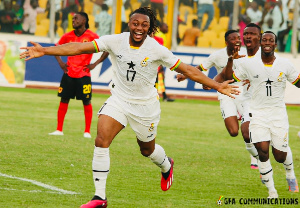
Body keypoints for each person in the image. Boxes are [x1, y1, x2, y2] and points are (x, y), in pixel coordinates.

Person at [20, 7, 239, 208]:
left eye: (144, 25)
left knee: (147, 150)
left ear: (148, 28)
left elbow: (189, 70)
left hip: (145, 107)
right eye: (135, 23)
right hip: (119, 100)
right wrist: (46, 51)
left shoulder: (157, 49)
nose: (139, 28)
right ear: (129, 24)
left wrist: (217, 85)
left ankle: (166, 165)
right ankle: (100, 197)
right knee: (101, 140)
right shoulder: (116, 41)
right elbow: (78, 47)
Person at [217, 31, 300, 198]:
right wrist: (231, 60)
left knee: (279, 156)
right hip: (257, 114)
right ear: (261, 44)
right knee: (262, 151)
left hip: (278, 115)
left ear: (275, 45)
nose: (267, 42)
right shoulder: (249, 64)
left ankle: (290, 174)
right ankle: (272, 192)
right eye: (264, 40)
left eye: (271, 40)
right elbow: (230, 77)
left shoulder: (285, 65)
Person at [178, 27, 260, 169]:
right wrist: (184, 75)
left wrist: (253, 79)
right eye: (233, 39)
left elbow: (258, 68)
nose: (237, 41)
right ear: (226, 41)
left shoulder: (246, 54)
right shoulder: (217, 56)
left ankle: (255, 157)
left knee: (247, 130)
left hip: (243, 93)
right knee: (233, 132)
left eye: (238, 38)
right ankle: (245, 127)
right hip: (225, 93)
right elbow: (201, 68)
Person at [48, 12, 109, 138]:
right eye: (73, 18)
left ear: (84, 20)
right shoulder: (67, 36)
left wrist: (95, 64)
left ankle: (87, 131)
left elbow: (106, 49)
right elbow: (56, 48)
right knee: (64, 99)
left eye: (76, 18)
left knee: (86, 101)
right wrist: (61, 63)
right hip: (69, 73)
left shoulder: (92, 36)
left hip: (84, 74)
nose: (73, 20)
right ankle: (59, 129)